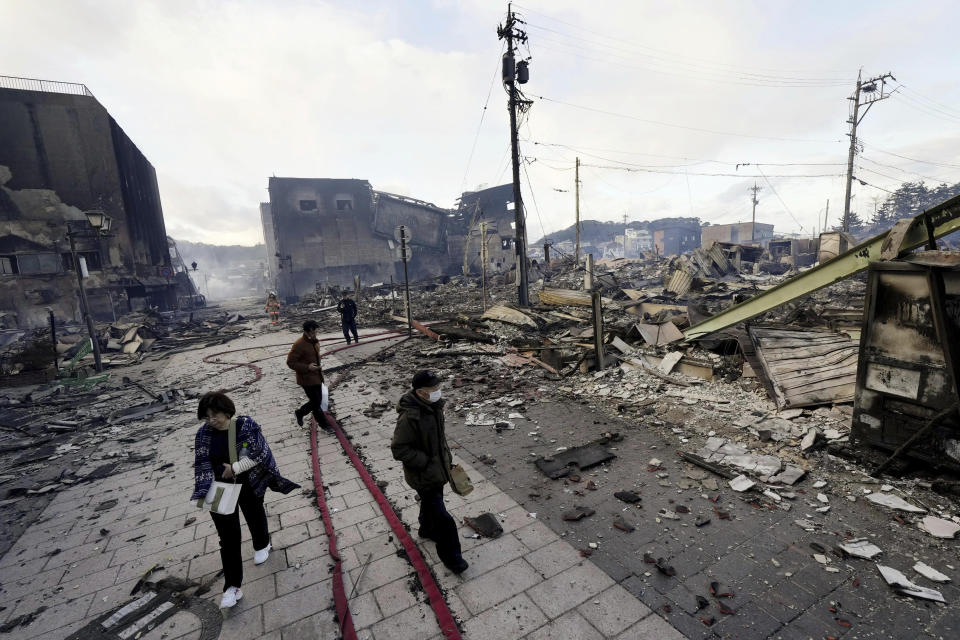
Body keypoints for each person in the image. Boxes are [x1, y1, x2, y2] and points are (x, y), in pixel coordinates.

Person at [190, 391, 300, 608]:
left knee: (254, 514)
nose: (211, 420)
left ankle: (262, 544)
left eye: (215, 415)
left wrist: (237, 468)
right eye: (207, 416)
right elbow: (201, 462)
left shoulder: (245, 425)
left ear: (227, 411)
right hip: (219, 488)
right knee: (227, 538)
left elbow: (259, 452)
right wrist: (204, 490)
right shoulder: (203, 434)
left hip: (248, 481)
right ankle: (232, 587)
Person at [391, 370, 468, 574]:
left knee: (431, 505)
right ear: (421, 392)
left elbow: (438, 440)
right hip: (423, 475)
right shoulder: (410, 417)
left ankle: (426, 529)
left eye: (438, 388)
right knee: (445, 520)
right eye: (433, 389)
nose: (438, 392)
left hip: (437, 471)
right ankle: (453, 559)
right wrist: (426, 462)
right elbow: (399, 449)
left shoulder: (433, 407)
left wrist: (446, 460)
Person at [287, 319, 331, 430]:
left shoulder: (314, 341)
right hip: (306, 378)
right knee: (316, 402)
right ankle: (324, 424)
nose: (316, 333)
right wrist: (307, 367)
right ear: (308, 331)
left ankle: (300, 412)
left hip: (317, 376)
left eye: (316, 331)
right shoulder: (299, 344)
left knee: (318, 400)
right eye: (314, 331)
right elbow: (290, 362)